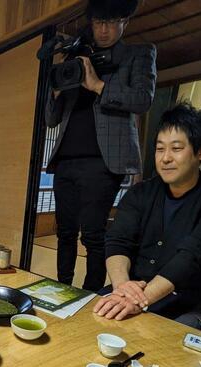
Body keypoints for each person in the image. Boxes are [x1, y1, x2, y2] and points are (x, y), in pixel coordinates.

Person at [93, 102, 201, 329]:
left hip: (183, 302)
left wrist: (139, 300)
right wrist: (121, 286)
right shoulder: (140, 192)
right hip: (128, 290)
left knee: (170, 355)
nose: (165, 158)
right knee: (82, 323)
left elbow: (193, 255)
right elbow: (118, 241)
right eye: (160, 149)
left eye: (176, 148)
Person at [44, 0, 156, 291]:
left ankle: (90, 293)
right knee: (65, 232)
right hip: (66, 160)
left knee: (93, 234)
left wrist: (97, 85)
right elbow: (51, 120)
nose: (103, 30)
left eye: (111, 22)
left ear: (124, 22)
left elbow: (143, 99)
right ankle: (62, 287)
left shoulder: (137, 54)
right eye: (98, 23)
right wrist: (55, 91)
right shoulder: (77, 56)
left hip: (103, 162)